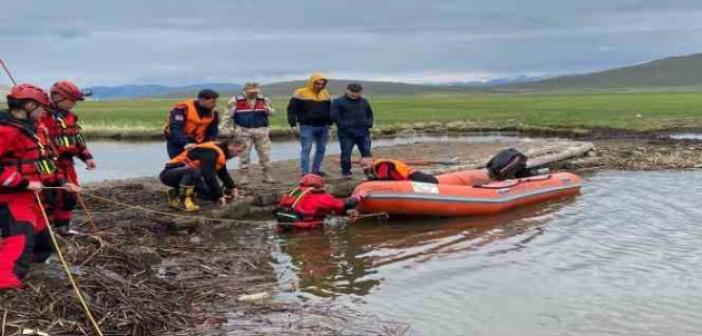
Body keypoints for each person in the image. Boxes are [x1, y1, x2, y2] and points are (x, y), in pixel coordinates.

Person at [0, 84, 79, 290]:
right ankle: (6, 280)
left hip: (31, 198)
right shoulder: (7, 131)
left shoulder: (32, 130)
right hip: (12, 198)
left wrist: (62, 183)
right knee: (19, 239)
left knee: (44, 241)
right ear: (28, 105)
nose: (44, 112)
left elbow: (46, 162)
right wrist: (24, 183)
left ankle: (39, 264)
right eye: (41, 108)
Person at [39, 80, 95, 235]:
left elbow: (77, 139)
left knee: (69, 194)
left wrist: (87, 157)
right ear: (58, 97)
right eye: (72, 100)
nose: (74, 104)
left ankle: (63, 227)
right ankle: (44, 230)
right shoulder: (42, 115)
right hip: (47, 163)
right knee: (49, 195)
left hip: (66, 162)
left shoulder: (70, 118)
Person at [359, 148, 533, 185]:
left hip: (417, 178)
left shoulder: (381, 164)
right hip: (415, 177)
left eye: (365, 165)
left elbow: (386, 179)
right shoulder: (379, 164)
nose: (365, 168)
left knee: (436, 184)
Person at [159, 139, 244, 211]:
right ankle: (183, 200)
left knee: (213, 195)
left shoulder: (221, 153)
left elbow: (223, 173)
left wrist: (232, 188)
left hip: (190, 178)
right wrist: (220, 195)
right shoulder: (211, 152)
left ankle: (175, 193)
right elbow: (208, 175)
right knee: (194, 170)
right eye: (238, 151)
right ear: (231, 147)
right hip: (169, 174)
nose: (238, 155)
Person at [227, 82, 276, 184]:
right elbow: (227, 115)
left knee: (265, 154)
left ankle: (267, 175)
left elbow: (272, 112)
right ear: (245, 90)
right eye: (251, 92)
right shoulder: (235, 100)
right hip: (243, 130)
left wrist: (268, 111)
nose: (254, 94)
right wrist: (225, 128)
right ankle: (244, 176)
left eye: (255, 92)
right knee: (244, 155)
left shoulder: (264, 99)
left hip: (261, 130)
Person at [274, 174, 364, 229]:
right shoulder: (320, 197)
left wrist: (345, 213)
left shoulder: (292, 193)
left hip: (284, 226)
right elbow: (344, 204)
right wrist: (358, 197)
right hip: (305, 230)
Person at [287, 73, 332, 176]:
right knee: (306, 148)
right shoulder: (300, 93)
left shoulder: (325, 93)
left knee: (321, 149)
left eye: (322, 84)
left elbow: (329, 110)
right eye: (317, 83)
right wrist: (293, 124)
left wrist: (330, 125)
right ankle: (305, 172)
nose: (320, 86)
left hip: (323, 126)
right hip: (306, 126)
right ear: (312, 82)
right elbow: (291, 109)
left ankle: (316, 170)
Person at [331, 83, 373, 179]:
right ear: (347, 90)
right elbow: (335, 116)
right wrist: (344, 126)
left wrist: (368, 124)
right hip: (346, 134)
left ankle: (368, 172)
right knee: (346, 154)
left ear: (360, 92)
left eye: (357, 92)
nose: (354, 94)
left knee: (366, 153)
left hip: (363, 133)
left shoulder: (364, 102)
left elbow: (369, 114)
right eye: (352, 91)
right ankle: (346, 173)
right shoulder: (338, 101)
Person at [164, 89, 220, 158]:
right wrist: (186, 143)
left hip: (197, 142)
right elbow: (175, 128)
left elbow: (212, 133)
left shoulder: (214, 114)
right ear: (202, 100)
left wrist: (208, 145)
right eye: (212, 102)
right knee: (178, 165)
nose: (215, 104)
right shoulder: (183, 109)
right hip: (177, 142)